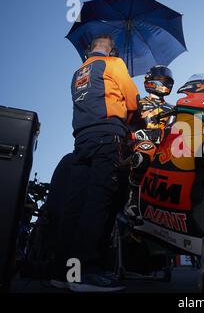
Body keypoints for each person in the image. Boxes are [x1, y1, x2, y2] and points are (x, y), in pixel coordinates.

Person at [52, 34, 140, 292]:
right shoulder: (114, 64)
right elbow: (133, 101)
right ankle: (86, 272)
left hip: (82, 141)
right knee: (99, 201)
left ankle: (63, 272)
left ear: (90, 49)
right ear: (111, 49)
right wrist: (133, 122)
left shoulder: (78, 72)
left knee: (75, 204)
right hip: (107, 137)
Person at [125, 65, 175, 221]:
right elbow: (125, 130)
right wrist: (136, 135)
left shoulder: (173, 109)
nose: (164, 84)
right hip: (138, 148)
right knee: (145, 149)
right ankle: (132, 200)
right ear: (150, 81)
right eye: (161, 80)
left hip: (166, 148)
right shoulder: (136, 105)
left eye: (167, 81)